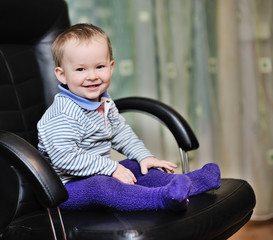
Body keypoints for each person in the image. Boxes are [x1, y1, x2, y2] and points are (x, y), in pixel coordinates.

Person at [37, 23, 220, 211]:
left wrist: (144, 157)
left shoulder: (104, 102)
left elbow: (121, 134)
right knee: (102, 186)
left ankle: (192, 183)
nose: (92, 76)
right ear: (62, 75)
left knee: (135, 166)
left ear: (111, 67)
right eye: (80, 70)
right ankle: (161, 198)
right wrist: (111, 168)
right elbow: (65, 158)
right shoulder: (62, 115)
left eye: (99, 66)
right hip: (65, 189)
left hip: (99, 172)